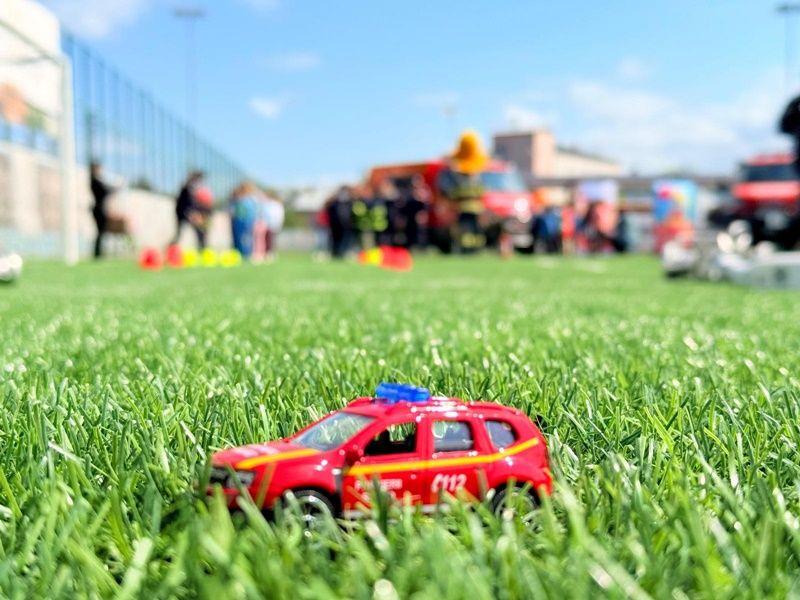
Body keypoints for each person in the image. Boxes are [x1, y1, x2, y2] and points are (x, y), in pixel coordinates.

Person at [437, 130, 488, 253]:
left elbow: (450, 192)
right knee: (468, 231)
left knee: (469, 231)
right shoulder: (472, 178)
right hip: (467, 209)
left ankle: (469, 249)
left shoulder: (460, 177)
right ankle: (470, 249)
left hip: (466, 209)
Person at [172, 171, 207, 248]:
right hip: (183, 213)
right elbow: (187, 203)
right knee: (199, 230)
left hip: (185, 212)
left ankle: (202, 247)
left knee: (200, 231)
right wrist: (192, 214)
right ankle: (172, 248)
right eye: (198, 179)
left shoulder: (191, 188)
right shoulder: (187, 188)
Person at [89, 161, 113, 259]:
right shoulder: (94, 181)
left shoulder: (96, 180)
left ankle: (98, 253)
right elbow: (105, 191)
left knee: (101, 232)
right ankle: (97, 253)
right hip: (99, 209)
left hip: (99, 209)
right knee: (100, 232)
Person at [229, 183, 258, 258]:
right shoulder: (239, 199)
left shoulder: (249, 199)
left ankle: (246, 253)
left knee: (245, 238)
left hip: (245, 220)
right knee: (240, 237)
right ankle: (239, 253)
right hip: (240, 220)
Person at [326, 186, 355, 258]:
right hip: (335, 226)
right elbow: (329, 211)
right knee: (335, 241)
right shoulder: (334, 203)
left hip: (346, 226)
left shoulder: (350, 203)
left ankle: (343, 253)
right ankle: (335, 253)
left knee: (346, 241)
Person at [257, 192, 285, 261]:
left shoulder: (274, 205)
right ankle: (267, 253)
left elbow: (276, 215)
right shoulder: (269, 204)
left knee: (270, 240)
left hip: (272, 224)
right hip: (269, 224)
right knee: (268, 240)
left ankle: (270, 254)